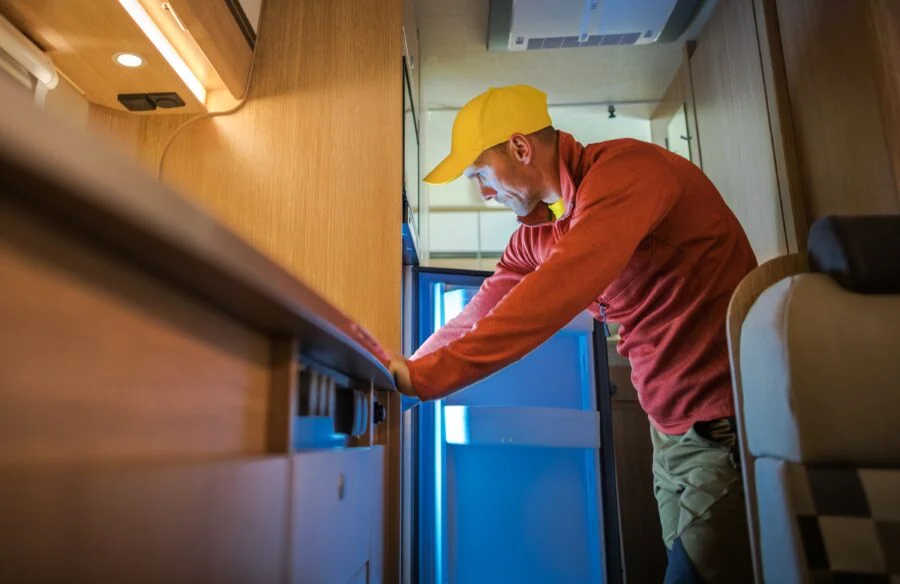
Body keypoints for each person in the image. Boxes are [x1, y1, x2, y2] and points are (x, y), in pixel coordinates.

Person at [389, 84, 757, 584]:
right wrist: (404, 377)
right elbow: (474, 317)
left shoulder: (627, 174)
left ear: (521, 148)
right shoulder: (538, 234)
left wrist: (426, 380)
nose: (484, 193)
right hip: (668, 432)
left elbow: (548, 299)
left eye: (480, 173)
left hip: (722, 425)